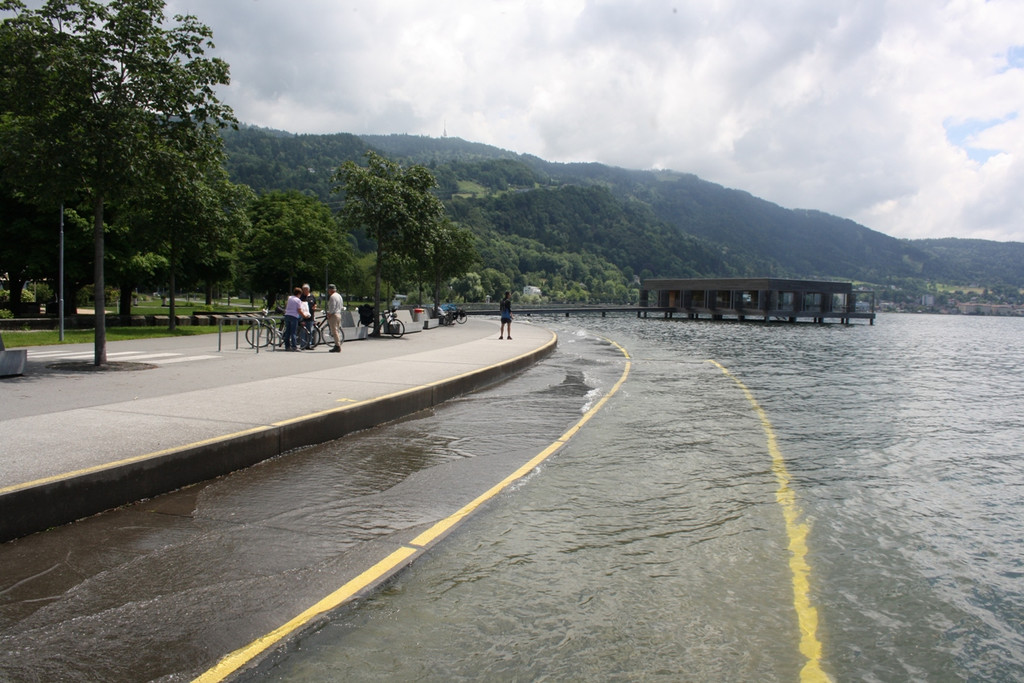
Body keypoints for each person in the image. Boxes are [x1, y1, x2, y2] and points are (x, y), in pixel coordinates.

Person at [283, 287, 304, 351]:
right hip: (294, 316)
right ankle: (294, 346)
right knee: (293, 332)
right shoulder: (298, 300)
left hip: (287, 315)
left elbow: (286, 305)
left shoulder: (289, 298)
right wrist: (304, 315)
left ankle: (287, 346)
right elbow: (299, 310)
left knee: (287, 332)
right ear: (299, 294)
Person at [326, 284, 344, 353]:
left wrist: (329, 314)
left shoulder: (332, 297)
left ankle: (337, 346)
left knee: (334, 331)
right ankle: (337, 344)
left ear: (330, 290)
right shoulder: (339, 296)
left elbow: (332, 307)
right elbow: (341, 305)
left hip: (334, 315)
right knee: (337, 330)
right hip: (339, 314)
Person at [300, 283, 317, 349]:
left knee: (310, 330)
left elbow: (315, 303)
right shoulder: (301, 297)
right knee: (303, 331)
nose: (304, 291)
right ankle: (303, 344)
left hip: (310, 316)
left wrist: (314, 307)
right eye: (303, 290)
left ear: (308, 290)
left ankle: (309, 344)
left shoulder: (312, 296)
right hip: (303, 316)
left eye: (306, 289)